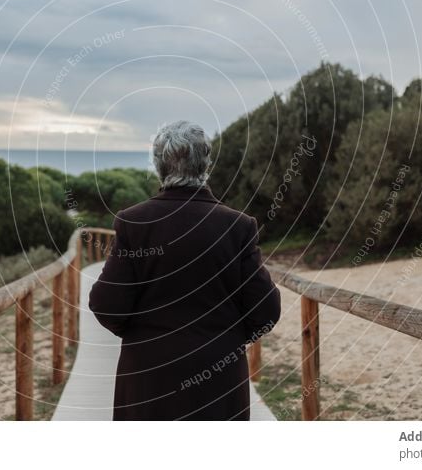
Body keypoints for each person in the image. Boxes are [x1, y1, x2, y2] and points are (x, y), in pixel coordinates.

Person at [88, 120, 282, 420]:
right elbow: (266, 311)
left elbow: (106, 305)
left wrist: (141, 336)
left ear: (158, 166)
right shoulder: (237, 226)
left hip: (148, 378)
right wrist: (225, 339)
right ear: (206, 164)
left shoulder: (134, 222)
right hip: (220, 380)